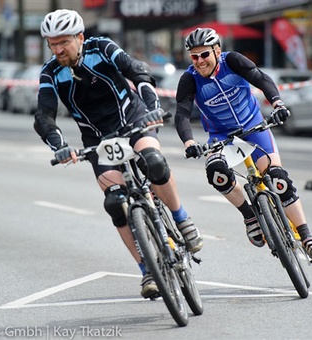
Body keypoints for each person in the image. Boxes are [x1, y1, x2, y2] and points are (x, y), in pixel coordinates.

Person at [33, 9, 204, 299]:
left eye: (63, 42)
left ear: (80, 37)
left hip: (134, 120)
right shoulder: (51, 72)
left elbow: (137, 71)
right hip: (98, 140)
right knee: (114, 202)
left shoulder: (101, 48)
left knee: (154, 163)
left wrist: (151, 106)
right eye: (52, 44)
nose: (58, 49)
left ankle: (181, 218)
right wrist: (58, 144)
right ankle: (146, 270)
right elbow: (44, 115)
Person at [175, 28, 312, 262]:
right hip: (222, 135)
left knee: (278, 179)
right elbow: (182, 114)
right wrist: (189, 142)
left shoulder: (233, 61)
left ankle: (306, 236)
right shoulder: (189, 79)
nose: (199, 62)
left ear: (217, 50)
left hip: (253, 125)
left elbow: (261, 78)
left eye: (204, 55)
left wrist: (277, 103)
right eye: (194, 57)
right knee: (216, 173)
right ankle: (250, 216)